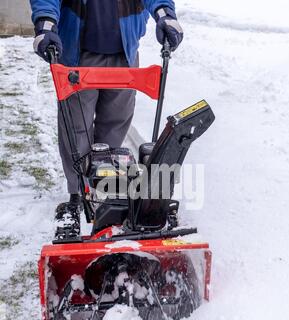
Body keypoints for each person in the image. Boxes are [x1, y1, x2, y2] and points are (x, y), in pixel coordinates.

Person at [29, 0, 183, 237]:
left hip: (125, 51)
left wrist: (165, 15)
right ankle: (78, 193)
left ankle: (106, 189)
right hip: (77, 54)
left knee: (115, 124)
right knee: (76, 129)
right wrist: (46, 25)